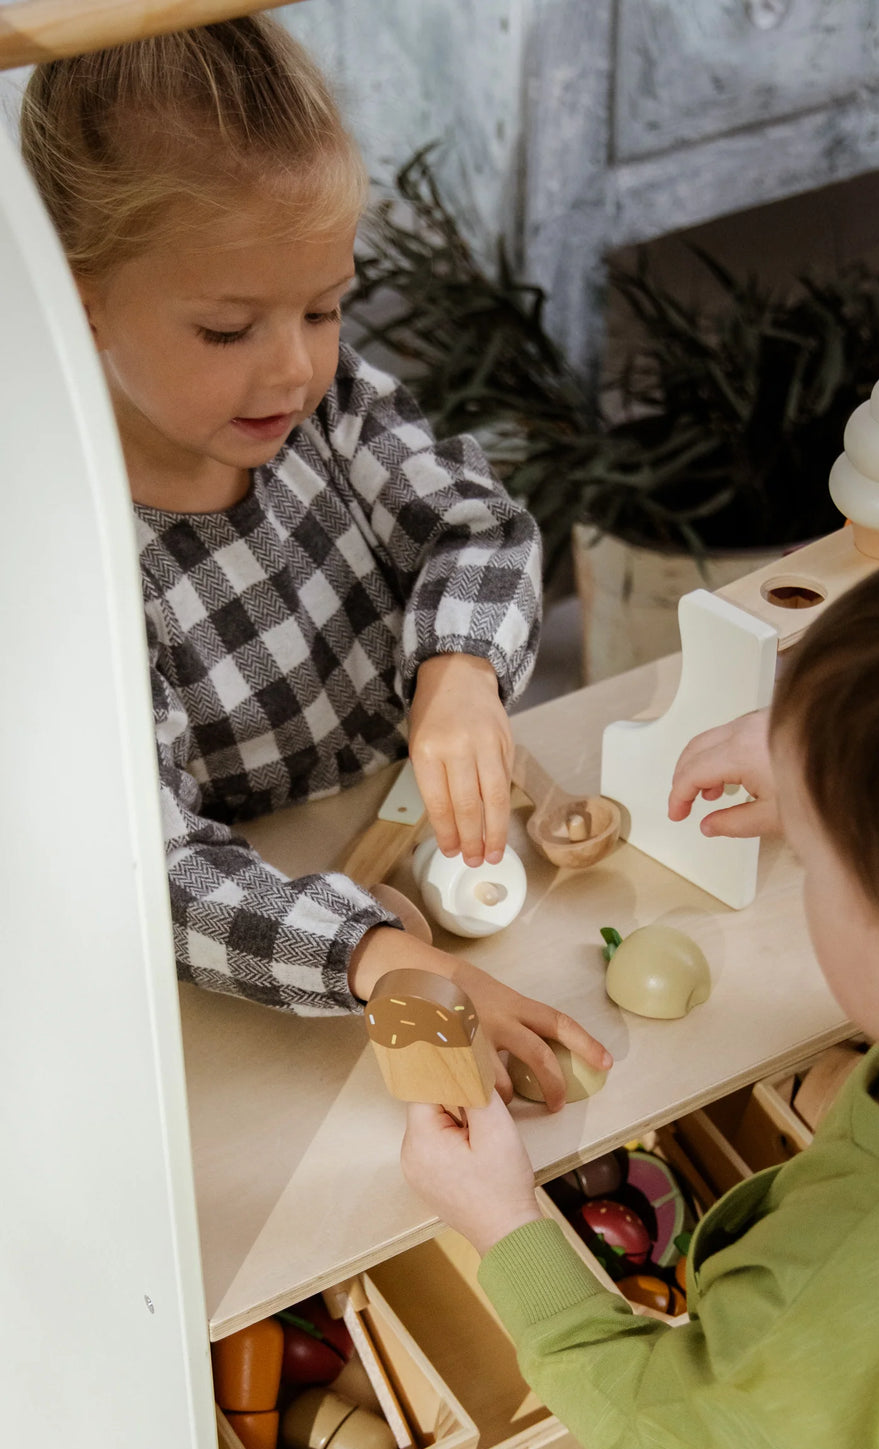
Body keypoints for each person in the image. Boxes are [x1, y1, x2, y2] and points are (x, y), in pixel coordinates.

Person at [402, 526, 879, 1449]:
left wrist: (503, 1226)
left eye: (813, 856)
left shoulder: (836, 1295)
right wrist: (827, 759)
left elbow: (678, 1448)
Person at [19, 17, 609, 1108]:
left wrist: (460, 676)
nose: (294, 367)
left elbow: (480, 529)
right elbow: (158, 872)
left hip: (414, 836)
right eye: (228, 330)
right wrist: (379, 957)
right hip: (285, 948)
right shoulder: (67, 556)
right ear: (77, 297)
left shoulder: (329, 406)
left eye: (325, 307)